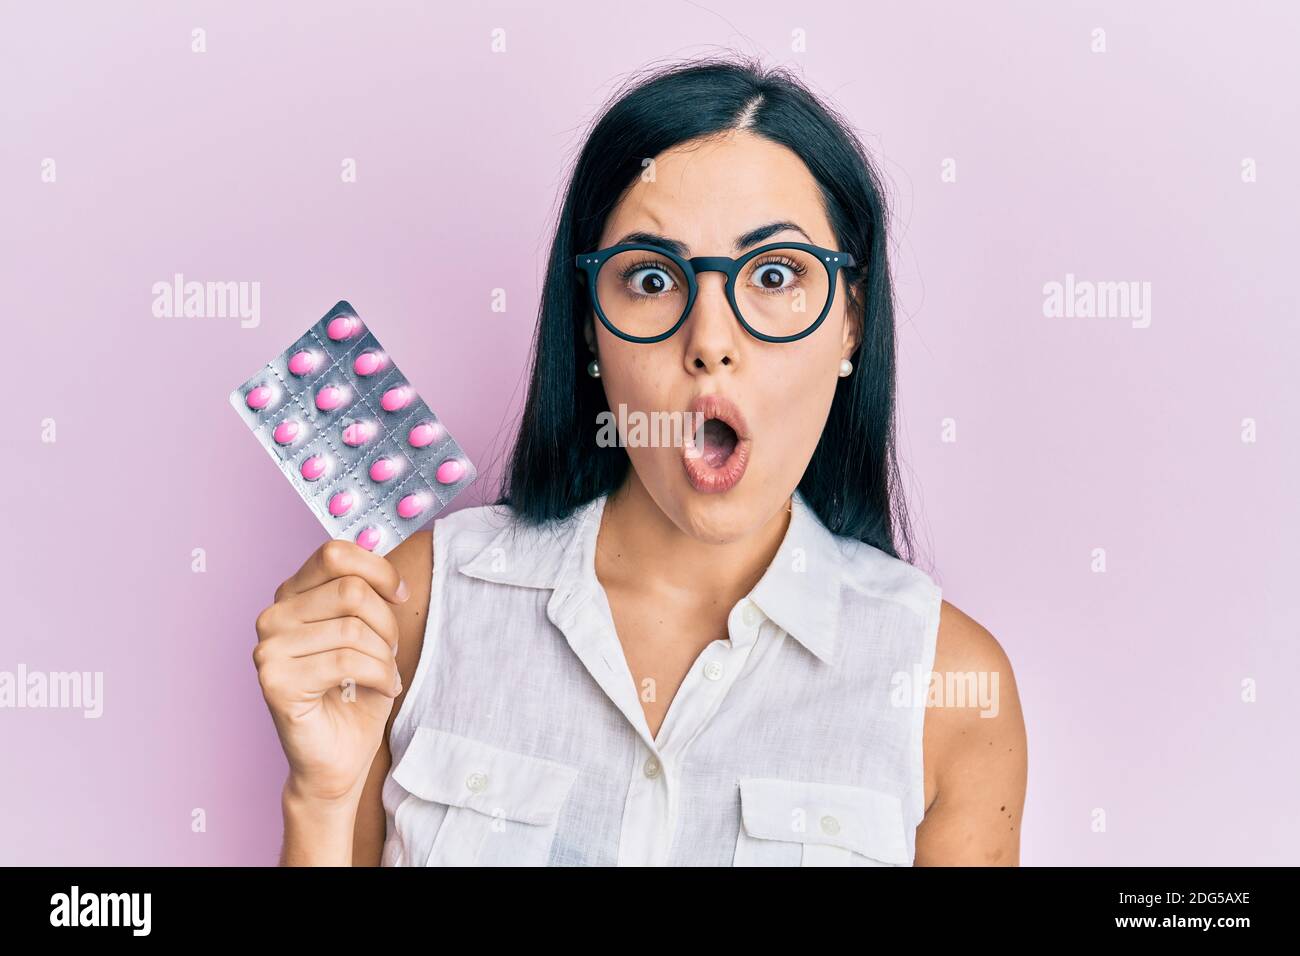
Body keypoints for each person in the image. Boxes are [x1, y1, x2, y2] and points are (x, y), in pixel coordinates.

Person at [253, 56, 1027, 866]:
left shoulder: (948, 687)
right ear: (590, 327)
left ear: (850, 326)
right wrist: (321, 799)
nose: (711, 343)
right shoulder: (417, 609)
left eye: (774, 275)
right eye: (653, 278)